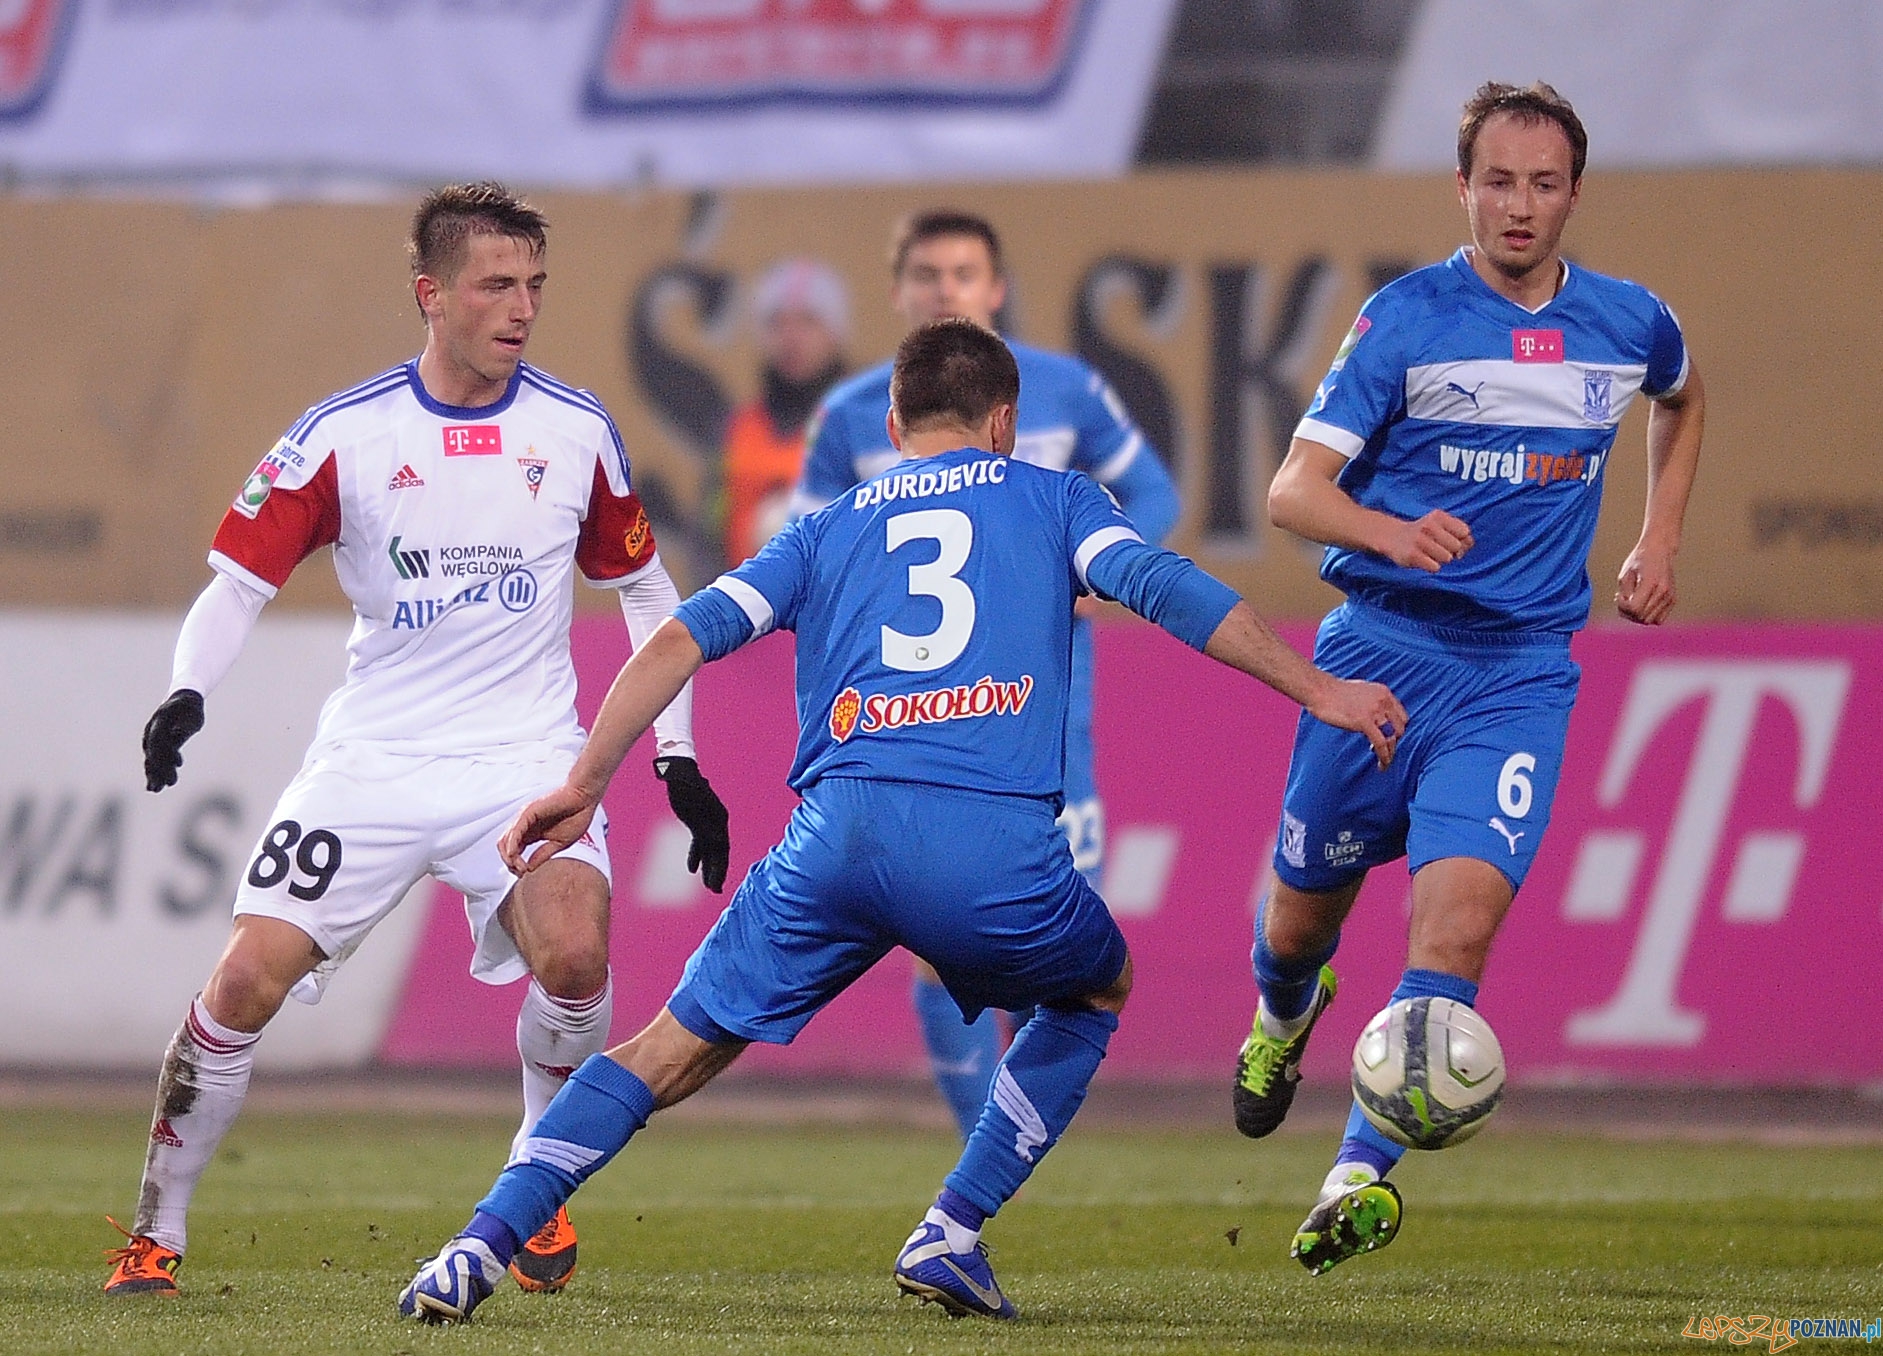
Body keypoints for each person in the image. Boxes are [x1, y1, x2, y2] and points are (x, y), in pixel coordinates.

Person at [397, 317, 1406, 1324]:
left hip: (834, 839)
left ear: (892, 420)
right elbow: (1158, 584)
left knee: (667, 1049)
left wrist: (583, 783)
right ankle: (951, 1230)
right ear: (1005, 422)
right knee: (1097, 987)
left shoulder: (824, 527)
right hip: (986, 845)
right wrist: (1315, 688)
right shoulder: (1058, 501)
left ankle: (474, 1248)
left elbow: (674, 641)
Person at [104, 182, 731, 1299]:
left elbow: (649, 594)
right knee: (243, 983)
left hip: (523, 761)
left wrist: (673, 753)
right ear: (429, 294)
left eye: (535, 284)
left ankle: (530, 1189)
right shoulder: (344, 436)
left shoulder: (575, 431)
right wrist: (186, 691)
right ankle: (158, 1231)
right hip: (375, 761)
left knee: (579, 960)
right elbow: (236, 586)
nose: (521, 306)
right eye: (496, 283)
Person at [1227, 81, 1705, 1275]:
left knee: (1459, 922)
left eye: (1543, 185)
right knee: (1298, 920)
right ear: (1461, 188)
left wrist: (1656, 539)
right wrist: (1386, 532)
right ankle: (1284, 1014)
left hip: (1515, 676)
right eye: (1498, 181)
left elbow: (1685, 401)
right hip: (1379, 659)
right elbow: (1289, 491)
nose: (1519, 206)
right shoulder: (1403, 320)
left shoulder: (1629, 322)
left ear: (1572, 197)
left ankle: (1352, 1176)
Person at [791, 208, 1181, 1139]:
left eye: (963, 273)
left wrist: (1097, 576)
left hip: (1049, 716)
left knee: (1050, 944)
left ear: (995, 288)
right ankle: (986, 1154)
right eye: (926, 274)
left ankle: (1000, 1149)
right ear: (899, 291)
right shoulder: (853, 413)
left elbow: (1157, 494)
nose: (945, 290)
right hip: (925, 714)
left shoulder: (1066, 391)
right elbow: (804, 553)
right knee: (945, 939)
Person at [720, 258, 850, 566]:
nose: (791, 337)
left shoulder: (859, 426)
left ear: (834, 333)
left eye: (808, 321)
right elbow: (710, 534)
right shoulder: (739, 429)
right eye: (777, 322)